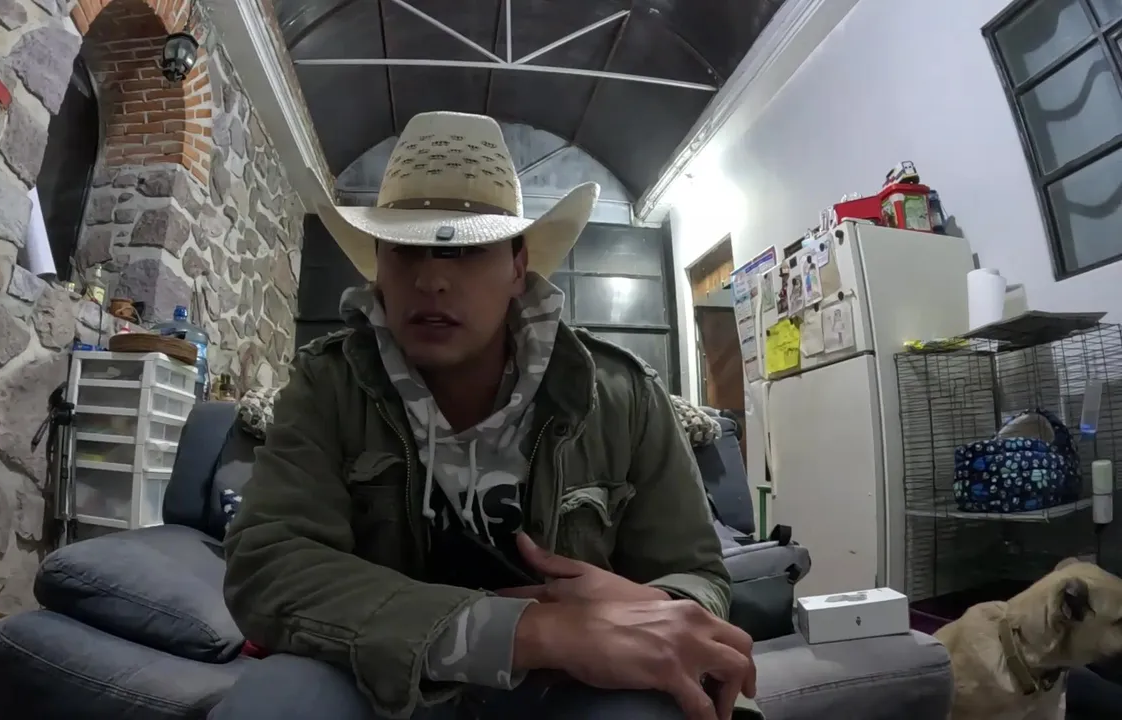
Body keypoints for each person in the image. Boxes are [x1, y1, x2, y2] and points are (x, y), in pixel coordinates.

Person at [212, 112, 759, 720]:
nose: (431, 279)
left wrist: (646, 605)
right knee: (275, 701)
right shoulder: (328, 384)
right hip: (382, 679)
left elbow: (697, 574)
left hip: (570, 686)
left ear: (518, 266)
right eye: (405, 249)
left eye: (466, 250)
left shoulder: (620, 393)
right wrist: (528, 630)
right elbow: (267, 564)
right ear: (378, 265)